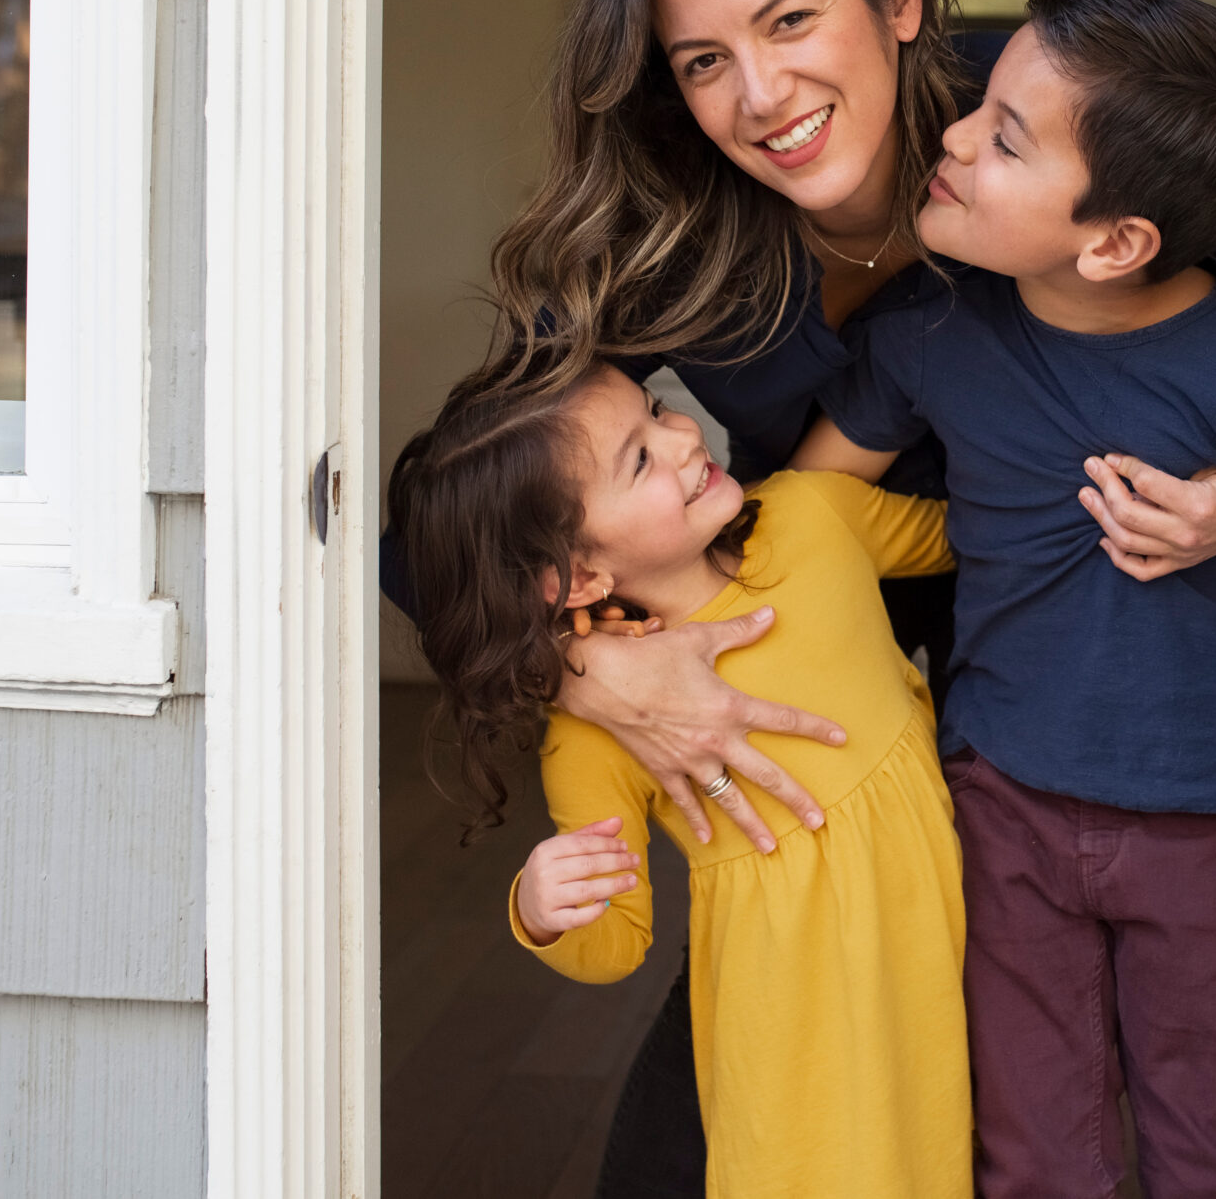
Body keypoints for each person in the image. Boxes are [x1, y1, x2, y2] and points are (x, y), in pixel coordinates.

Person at [380, 0, 1216, 1192]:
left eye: (790, 23)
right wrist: (605, 674)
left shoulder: (1050, 119)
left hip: (1085, 722)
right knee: (723, 1122)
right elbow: (443, 532)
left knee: (1090, 1125)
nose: (760, 97)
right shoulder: (660, 233)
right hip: (824, 729)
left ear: (898, 0)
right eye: (704, 60)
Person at [796, 0, 1216, 1198]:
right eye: (980, 109)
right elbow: (810, 517)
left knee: (1209, 1149)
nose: (954, 138)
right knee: (1035, 1153)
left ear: (1113, 241)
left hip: (1211, 830)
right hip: (1003, 805)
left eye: (1005, 137)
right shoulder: (934, 334)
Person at [385, 351, 970, 1199]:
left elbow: (964, 534)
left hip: (933, 944)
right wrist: (543, 910)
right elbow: (615, 942)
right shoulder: (592, 732)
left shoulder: (812, 513)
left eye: (658, 412)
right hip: (788, 1026)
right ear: (579, 577)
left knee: (942, 1156)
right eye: (640, 457)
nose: (684, 435)